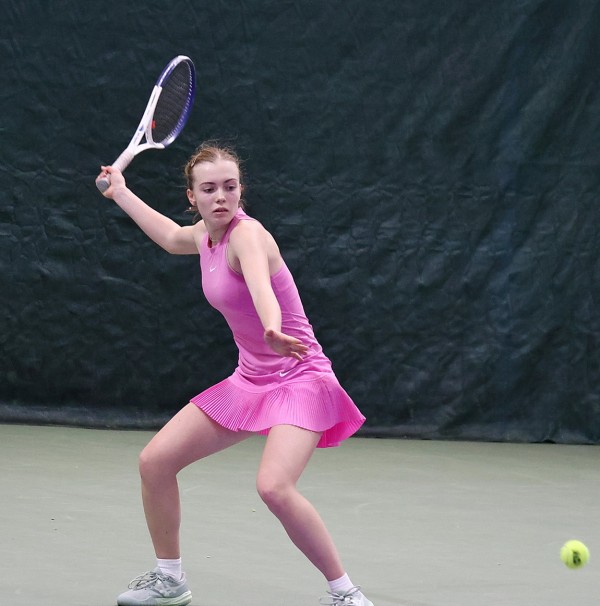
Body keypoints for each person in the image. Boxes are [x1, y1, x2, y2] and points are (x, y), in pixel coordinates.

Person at [95, 143, 374, 606]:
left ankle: (346, 593)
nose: (221, 196)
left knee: (274, 487)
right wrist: (121, 192)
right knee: (154, 463)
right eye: (209, 189)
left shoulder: (248, 236)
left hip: (300, 378)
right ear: (192, 197)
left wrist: (272, 328)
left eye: (230, 186)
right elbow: (170, 236)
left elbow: (262, 287)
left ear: (241, 190)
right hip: (250, 380)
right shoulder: (203, 236)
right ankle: (170, 580)